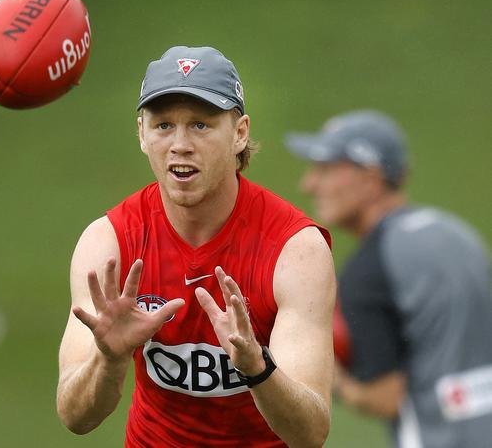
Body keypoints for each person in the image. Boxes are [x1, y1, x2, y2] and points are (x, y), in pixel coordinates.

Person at [56, 46, 336, 447]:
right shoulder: (108, 244)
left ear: (239, 134)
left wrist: (256, 368)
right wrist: (110, 360)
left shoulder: (295, 250)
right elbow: (75, 417)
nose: (180, 144)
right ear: (141, 133)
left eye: (201, 125)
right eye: (164, 125)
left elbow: (310, 434)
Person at [285, 109, 492, 448]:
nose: (309, 183)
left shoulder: (370, 267)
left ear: (369, 178)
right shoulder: (459, 236)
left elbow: (384, 398)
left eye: (324, 168)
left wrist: (331, 375)